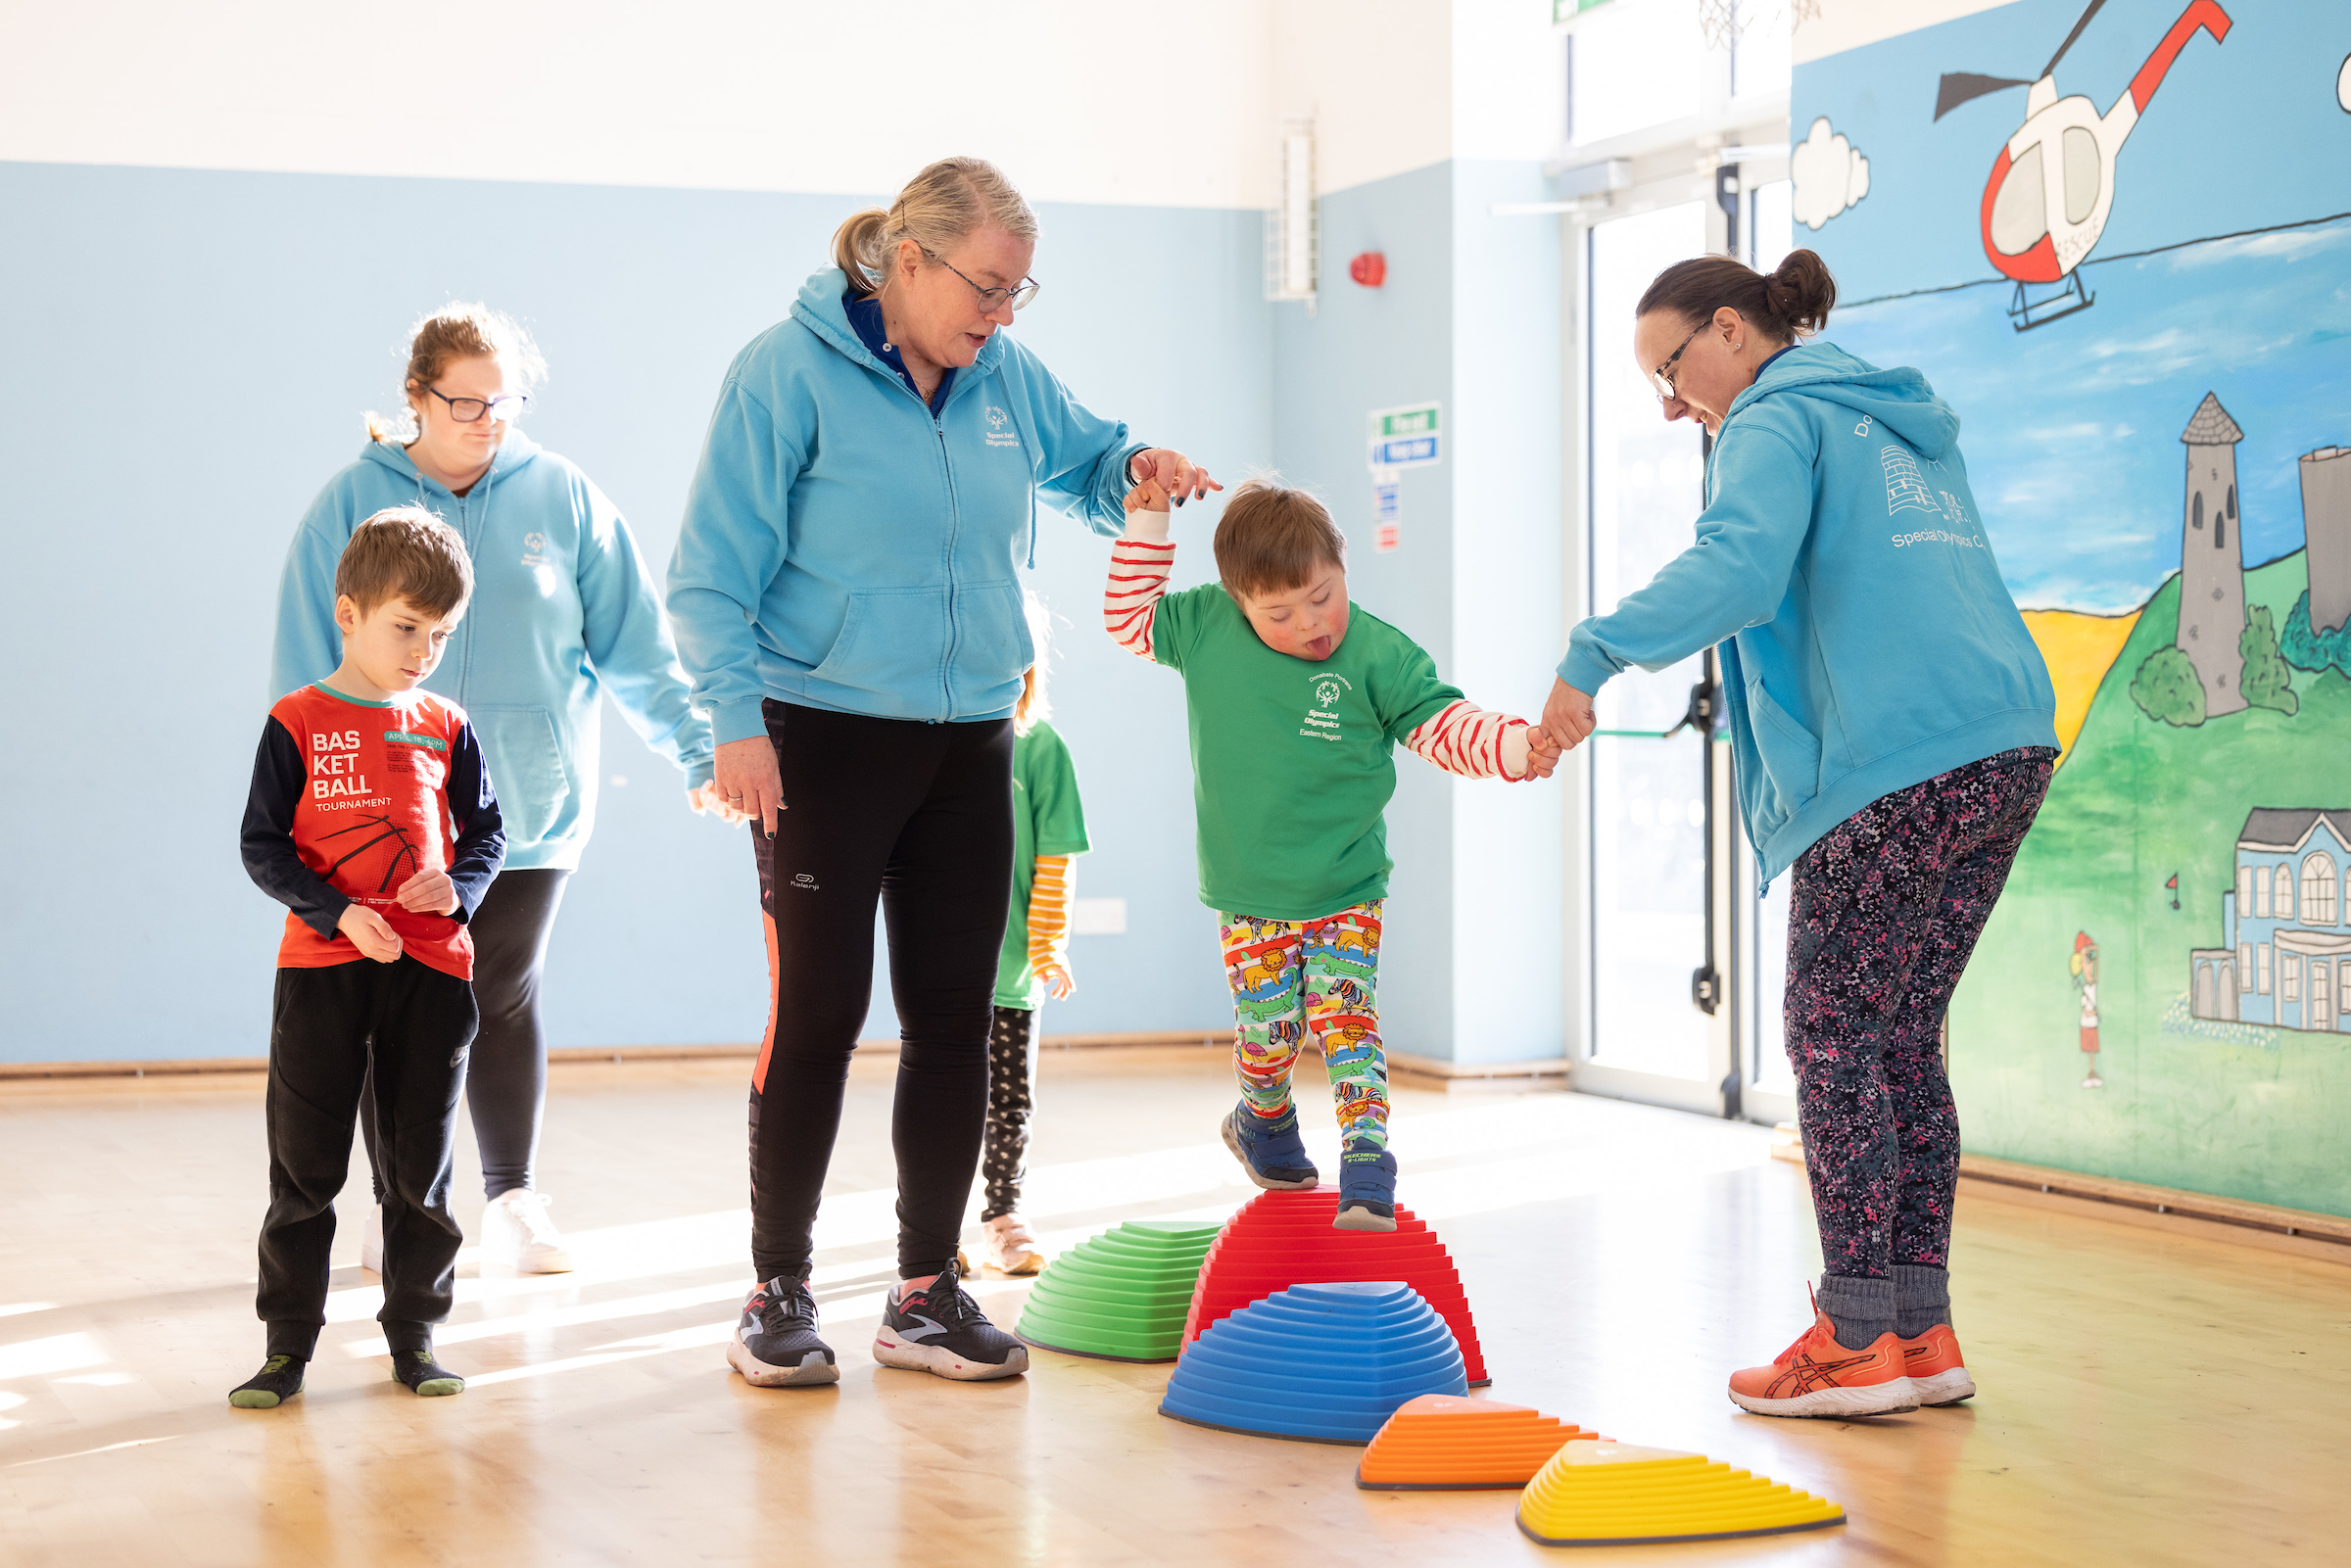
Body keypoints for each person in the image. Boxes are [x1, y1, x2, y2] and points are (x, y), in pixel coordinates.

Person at [667, 156, 1221, 1389]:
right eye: (985, 287)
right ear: (906, 262)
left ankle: (925, 1288)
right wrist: (731, 722)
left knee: (958, 1019)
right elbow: (709, 571)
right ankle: (778, 1288)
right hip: (819, 734)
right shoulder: (783, 371)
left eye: (1019, 293)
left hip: (973, 736)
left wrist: (1140, 472)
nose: (1001, 315)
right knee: (817, 1015)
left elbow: (1087, 462)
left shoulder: (999, 374)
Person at [1538, 249, 2059, 1418]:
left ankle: (1854, 1340)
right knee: (1900, 1035)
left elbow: (1738, 569)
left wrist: (1594, 651)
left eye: (1671, 370)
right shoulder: (1893, 413)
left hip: (1897, 757)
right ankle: (1921, 1332)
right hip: (2005, 739)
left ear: (1729, 328)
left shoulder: (1772, 421)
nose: (1673, 404)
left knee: (1831, 1034)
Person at [274, 304, 732, 1276]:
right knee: (393, 999)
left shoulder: (564, 498)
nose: (487, 420)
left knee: (500, 990)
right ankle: (403, 1198)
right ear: (416, 399)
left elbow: (635, 647)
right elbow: (302, 665)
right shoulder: (350, 500)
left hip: (525, 803)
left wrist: (698, 752)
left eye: (505, 403)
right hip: (380, 816)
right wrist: (307, 796)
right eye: (465, 402)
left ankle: (514, 1198)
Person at [1104, 476, 1560, 1231]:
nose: (1311, 624)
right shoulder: (1204, 626)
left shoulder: (1378, 653)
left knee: (1347, 1019)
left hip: (1347, 886)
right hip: (1251, 895)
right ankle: (1262, 1117)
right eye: (1279, 613)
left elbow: (1443, 723)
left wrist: (1516, 745)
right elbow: (1127, 620)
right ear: (1238, 600)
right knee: (1271, 1033)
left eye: (1323, 594)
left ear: (1341, 563)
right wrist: (1150, 517)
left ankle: (1367, 1161)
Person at [232, 508, 506, 1408]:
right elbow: (263, 846)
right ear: (347, 614)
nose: (424, 648)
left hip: (431, 975)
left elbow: (490, 834)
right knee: (306, 1167)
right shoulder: (297, 720)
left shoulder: (445, 723)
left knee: (417, 1166)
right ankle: (286, 1348)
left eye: (441, 633)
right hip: (321, 972)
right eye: (406, 626)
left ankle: (416, 1336)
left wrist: (457, 890)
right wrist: (338, 911)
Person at [968, 594, 1089, 1278]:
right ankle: (930, 1224)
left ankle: (1004, 1213)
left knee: (1008, 1101)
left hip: (1011, 971)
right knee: (942, 1094)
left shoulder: (1042, 750)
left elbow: (1055, 859)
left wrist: (1046, 946)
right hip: (946, 971)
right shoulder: (939, 745)